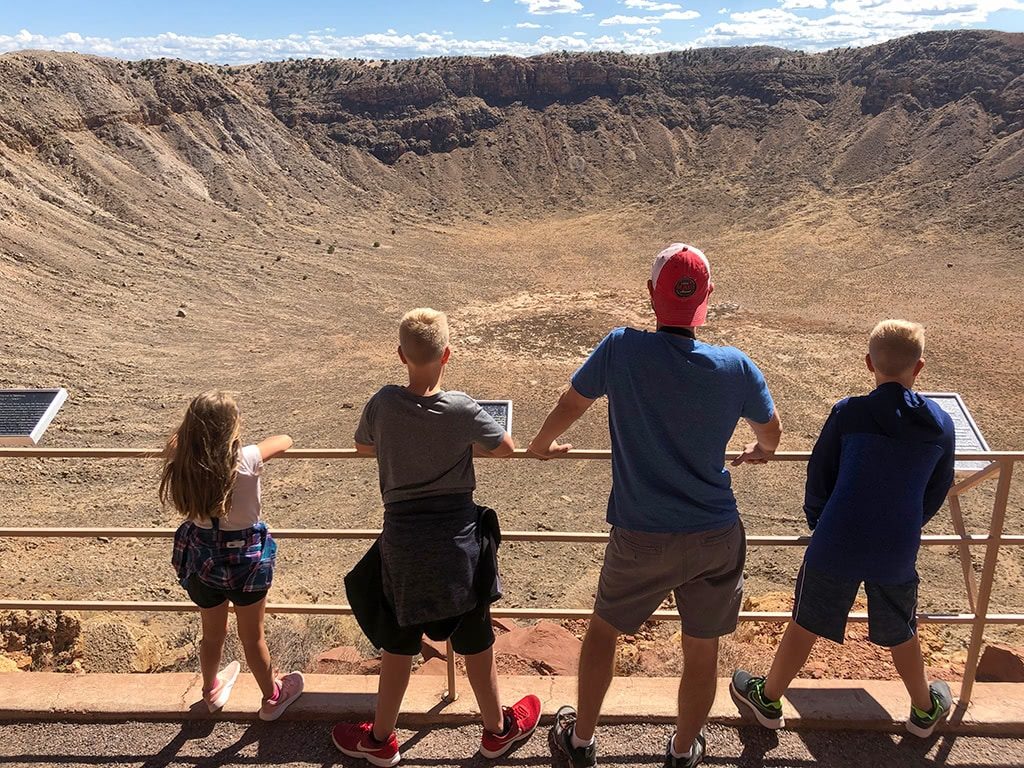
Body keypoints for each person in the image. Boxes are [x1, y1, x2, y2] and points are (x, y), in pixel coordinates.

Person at [528, 244, 782, 768]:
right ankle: (684, 749)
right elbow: (772, 433)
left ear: (651, 294)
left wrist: (541, 443)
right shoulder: (736, 366)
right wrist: (762, 451)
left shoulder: (620, 349)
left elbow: (571, 403)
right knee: (702, 647)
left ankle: (580, 742)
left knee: (603, 630)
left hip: (640, 533)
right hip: (715, 532)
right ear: (707, 297)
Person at [332, 308, 541, 767]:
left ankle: (382, 739)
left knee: (398, 641)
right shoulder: (464, 408)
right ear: (447, 355)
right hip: (458, 545)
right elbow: (504, 449)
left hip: (403, 543)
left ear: (401, 355)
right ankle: (496, 730)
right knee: (476, 639)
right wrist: (459, 439)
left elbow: (363, 445)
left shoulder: (383, 403)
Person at [731, 319, 956, 737]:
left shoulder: (849, 412)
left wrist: (820, 520)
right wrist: (909, 524)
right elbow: (937, 488)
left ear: (869, 363)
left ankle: (768, 698)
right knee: (901, 628)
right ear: (919, 368)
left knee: (806, 620)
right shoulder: (941, 424)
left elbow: (821, 474)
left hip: (837, 539)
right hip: (896, 546)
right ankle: (924, 709)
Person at [162, 390, 304, 720]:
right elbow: (286, 440)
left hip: (203, 562)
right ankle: (272, 697)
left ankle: (210, 689)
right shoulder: (248, 457)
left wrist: (192, 435)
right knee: (252, 637)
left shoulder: (184, 458)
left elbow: (173, 443)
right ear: (232, 428)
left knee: (212, 636)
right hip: (247, 565)